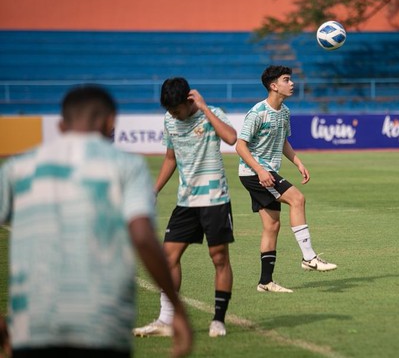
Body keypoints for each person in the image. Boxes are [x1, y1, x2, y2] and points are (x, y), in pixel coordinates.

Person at [0, 85, 192, 357]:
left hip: (31, 327)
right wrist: (178, 310)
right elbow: (142, 237)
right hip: (102, 326)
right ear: (111, 121)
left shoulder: (16, 169)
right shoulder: (126, 166)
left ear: (61, 124)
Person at [133, 78, 237, 337]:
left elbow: (232, 138)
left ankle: (218, 320)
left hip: (214, 199)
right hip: (186, 201)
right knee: (168, 257)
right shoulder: (169, 121)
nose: (173, 116)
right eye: (169, 111)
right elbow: (171, 158)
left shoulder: (210, 114)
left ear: (188, 102)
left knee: (219, 258)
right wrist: (154, 189)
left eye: (176, 110)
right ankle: (165, 320)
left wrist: (205, 108)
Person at [236, 65, 337, 293]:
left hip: (266, 171)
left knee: (272, 226)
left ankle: (265, 282)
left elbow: (283, 142)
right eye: (286, 79)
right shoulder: (257, 113)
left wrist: (298, 162)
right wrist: (261, 171)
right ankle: (309, 257)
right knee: (297, 199)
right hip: (255, 173)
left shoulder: (285, 112)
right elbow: (240, 146)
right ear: (274, 86)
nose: (292, 83)